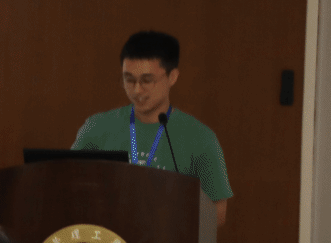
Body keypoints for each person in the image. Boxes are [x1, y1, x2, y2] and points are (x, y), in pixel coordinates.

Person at [72, 30, 233, 227]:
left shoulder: (200, 137)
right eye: (129, 79)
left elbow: (218, 212)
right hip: (107, 238)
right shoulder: (96, 128)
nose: (137, 90)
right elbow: (68, 185)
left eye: (147, 80)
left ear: (172, 77)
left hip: (168, 240)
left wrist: (168, 219)